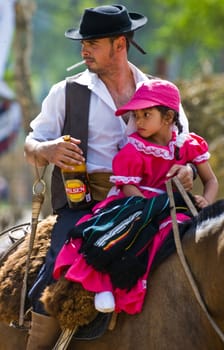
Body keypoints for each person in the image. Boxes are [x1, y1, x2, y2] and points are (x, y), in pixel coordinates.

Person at [24, 4, 196, 349]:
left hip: (156, 204)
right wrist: (48, 150)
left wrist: (188, 170)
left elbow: (184, 148)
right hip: (87, 206)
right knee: (53, 271)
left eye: (93, 42)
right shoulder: (67, 92)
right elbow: (31, 144)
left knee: (197, 255)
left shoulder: (162, 93)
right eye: (82, 43)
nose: (84, 50)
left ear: (120, 44)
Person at [53, 79, 218, 315]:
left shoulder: (189, 145)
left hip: (176, 205)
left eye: (146, 115)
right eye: (136, 116)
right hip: (136, 204)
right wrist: (150, 211)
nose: (138, 122)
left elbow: (211, 181)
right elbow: (128, 189)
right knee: (119, 236)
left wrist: (207, 201)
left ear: (169, 118)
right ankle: (109, 286)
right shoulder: (133, 150)